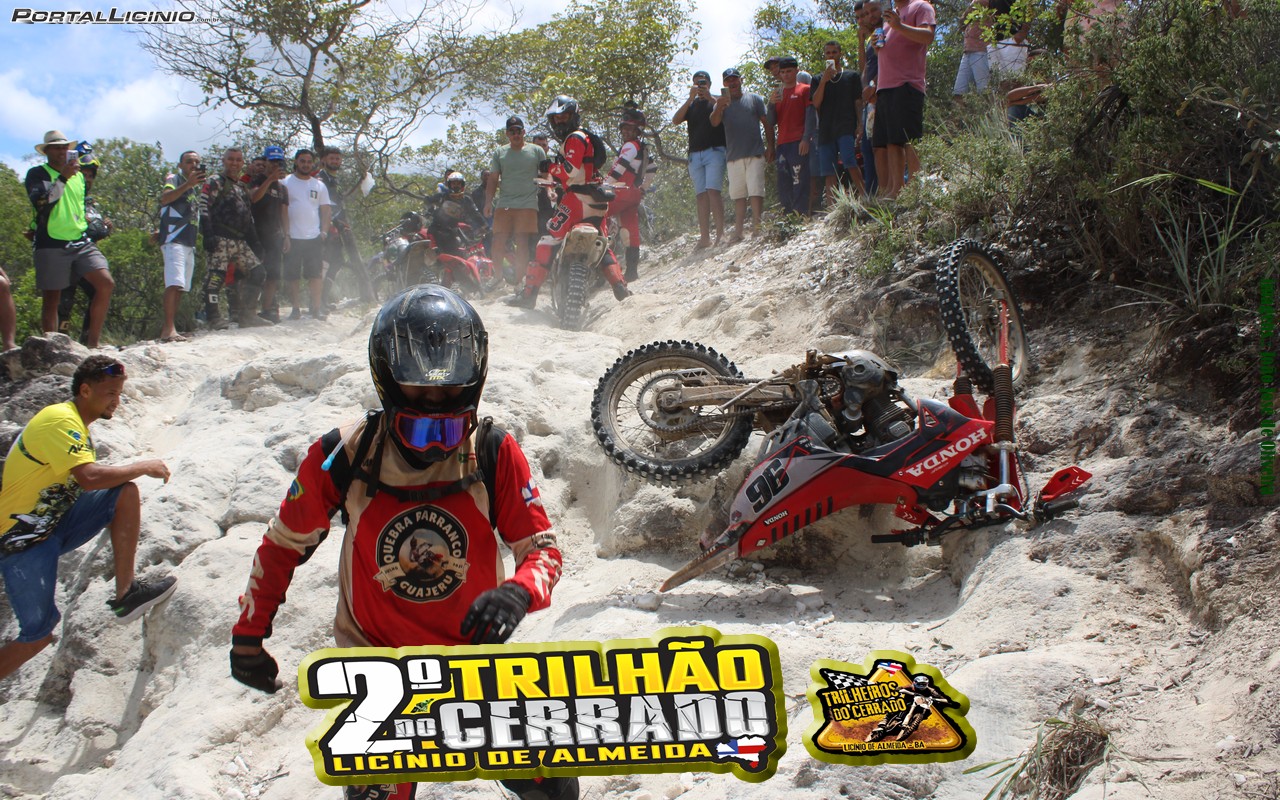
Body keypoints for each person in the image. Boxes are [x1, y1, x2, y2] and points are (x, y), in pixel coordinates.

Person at [229, 286, 576, 800]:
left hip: (473, 663)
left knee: (553, 786)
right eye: (419, 394)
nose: (435, 407)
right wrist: (249, 634)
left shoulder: (492, 450)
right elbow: (283, 546)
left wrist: (519, 591)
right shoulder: (343, 454)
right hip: (375, 671)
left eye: (449, 393)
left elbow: (542, 549)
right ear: (386, 379)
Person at [0, 355, 177, 680]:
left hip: (50, 525)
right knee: (37, 635)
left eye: (119, 393)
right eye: (110, 392)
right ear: (85, 390)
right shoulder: (60, 420)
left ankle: (127, 594)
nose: (116, 400)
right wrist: (143, 466)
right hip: (21, 540)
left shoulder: (76, 424)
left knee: (123, 494)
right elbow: (89, 478)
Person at [507, 96, 630, 309]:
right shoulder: (585, 136)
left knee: (547, 241)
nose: (560, 122)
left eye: (564, 117)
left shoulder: (574, 138)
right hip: (597, 201)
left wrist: (549, 167)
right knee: (601, 244)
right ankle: (620, 287)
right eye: (556, 118)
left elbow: (569, 171)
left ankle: (529, 295)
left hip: (576, 200)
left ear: (574, 116)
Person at [25, 130, 115, 349]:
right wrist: (63, 177)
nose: (62, 151)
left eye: (65, 147)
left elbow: (77, 207)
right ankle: (52, 348)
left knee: (105, 283)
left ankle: (93, 344)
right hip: (51, 241)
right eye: (56, 147)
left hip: (80, 240)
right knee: (52, 299)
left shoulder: (79, 177)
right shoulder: (37, 174)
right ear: (47, 151)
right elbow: (42, 203)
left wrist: (94, 225)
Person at [201, 148, 272, 330]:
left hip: (240, 240)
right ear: (224, 160)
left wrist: (255, 242)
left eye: (238, 160)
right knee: (216, 277)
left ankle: (247, 315)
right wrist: (208, 234)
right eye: (231, 159)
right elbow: (204, 207)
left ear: (242, 163)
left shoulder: (241, 187)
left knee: (258, 272)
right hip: (220, 237)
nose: (234, 163)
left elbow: (247, 216)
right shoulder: (215, 181)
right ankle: (213, 318)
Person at [874, 0, 936, 198]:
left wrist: (899, 26)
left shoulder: (921, 7)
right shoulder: (890, 16)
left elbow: (928, 36)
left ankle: (916, 189)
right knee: (892, 141)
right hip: (885, 86)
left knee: (910, 139)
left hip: (907, 84)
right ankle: (897, 189)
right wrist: (877, 46)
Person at [57, 143, 111, 344]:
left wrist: (103, 227)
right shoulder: (64, 191)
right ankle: (59, 341)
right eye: (84, 174)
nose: (88, 179)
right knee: (63, 300)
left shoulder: (90, 202)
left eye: (91, 176)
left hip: (84, 254)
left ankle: (89, 342)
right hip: (62, 251)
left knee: (99, 289)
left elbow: (93, 231)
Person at [485, 116, 547, 290]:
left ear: (524, 132)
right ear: (507, 134)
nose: (515, 134)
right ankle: (497, 277)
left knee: (522, 242)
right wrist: (488, 202)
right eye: (512, 131)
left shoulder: (537, 151)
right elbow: (493, 178)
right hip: (505, 202)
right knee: (498, 239)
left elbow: (545, 174)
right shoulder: (499, 152)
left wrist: (550, 191)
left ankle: (520, 282)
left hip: (527, 203)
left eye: (518, 130)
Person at [710, 70, 772, 242]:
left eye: (735, 79)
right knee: (738, 195)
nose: (732, 83)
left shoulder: (754, 99)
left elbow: (766, 123)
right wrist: (719, 106)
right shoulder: (721, 103)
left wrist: (771, 146)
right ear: (724, 84)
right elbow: (714, 122)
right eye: (728, 80)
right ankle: (738, 231)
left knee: (756, 191)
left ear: (741, 80)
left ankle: (757, 228)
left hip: (754, 152)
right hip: (733, 156)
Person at [672, 70, 726, 249]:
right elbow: (675, 120)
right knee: (701, 195)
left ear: (709, 83)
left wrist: (709, 97)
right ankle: (705, 237)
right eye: (697, 83)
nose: (700, 86)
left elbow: (726, 111)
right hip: (695, 154)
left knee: (713, 191)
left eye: (703, 82)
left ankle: (721, 234)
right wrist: (690, 98)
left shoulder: (716, 99)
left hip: (715, 150)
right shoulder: (692, 105)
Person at [158, 150, 207, 342]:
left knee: (180, 286)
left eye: (197, 162)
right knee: (173, 283)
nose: (193, 165)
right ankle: (167, 329)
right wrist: (188, 184)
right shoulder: (174, 179)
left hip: (188, 241)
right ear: (180, 165)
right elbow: (165, 198)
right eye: (189, 161)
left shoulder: (193, 188)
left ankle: (172, 328)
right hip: (174, 239)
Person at [605, 106, 658, 280]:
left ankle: (601, 268)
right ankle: (632, 272)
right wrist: (643, 188)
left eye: (630, 128)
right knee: (630, 233)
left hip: (620, 192)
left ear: (637, 131)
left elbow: (619, 167)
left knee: (596, 216)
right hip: (633, 195)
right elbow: (652, 168)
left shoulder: (630, 146)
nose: (625, 131)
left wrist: (604, 186)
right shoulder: (642, 148)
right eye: (624, 128)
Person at [812, 41, 866, 206]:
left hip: (846, 126)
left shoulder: (851, 76)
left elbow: (858, 102)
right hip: (826, 129)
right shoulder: (817, 79)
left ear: (840, 54)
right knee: (829, 170)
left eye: (834, 52)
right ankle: (832, 207)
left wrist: (860, 124)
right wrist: (824, 81)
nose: (831, 56)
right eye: (828, 53)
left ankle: (865, 198)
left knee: (850, 161)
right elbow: (816, 103)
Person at [281, 149, 332, 321]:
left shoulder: (319, 185)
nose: (306, 164)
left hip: (314, 237)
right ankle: (295, 308)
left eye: (309, 162)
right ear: (296, 162)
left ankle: (316, 309)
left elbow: (326, 210)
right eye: (302, 161)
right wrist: (285, 234)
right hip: (292, 237)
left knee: (315, 274)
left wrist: (324, 232)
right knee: (292, 275)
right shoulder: (285, 182)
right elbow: (282, 209)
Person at [316, 146, 370, 307]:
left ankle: (323, 299)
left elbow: (341, 199)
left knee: (337, 261)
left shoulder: (335, 179)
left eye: (337, 158)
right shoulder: (320, 179)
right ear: (324, 160)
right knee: (324, 263)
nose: (335, 161)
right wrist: (331, 223)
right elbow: (323, 205)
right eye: (331, 158)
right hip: (325, 227)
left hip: (337, 226)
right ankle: (317, 301)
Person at [249, 146, 290, 323]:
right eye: (272, 161)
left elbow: (284, 213)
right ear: (265, 161)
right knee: (255, 273)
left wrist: (287, 235)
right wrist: (269, 180)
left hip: (275, 236)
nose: (275, 165)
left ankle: (267, 310)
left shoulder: (282, 188)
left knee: (273, 274)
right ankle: (248, 311)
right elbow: (253, 198)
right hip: (255, 235)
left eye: (278, 162)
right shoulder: (256, 180)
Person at [771, 57, 812, 216]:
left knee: (799, 178)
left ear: (796, 71)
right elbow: (770, 121)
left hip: (798, 141)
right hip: (782, 143)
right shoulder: (778, 93)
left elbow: (810, 116)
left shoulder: (805, 89)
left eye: (789, 71)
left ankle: (801, 214)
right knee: (783, 181)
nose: (786, 75)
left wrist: (805, 138)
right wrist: (771, 104)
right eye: (783, 72)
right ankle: (788, 216)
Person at [427, 172, 488, 260]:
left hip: (452, 231)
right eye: (453, 183)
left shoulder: (466, 200)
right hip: (436, 229)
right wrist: (428, 201)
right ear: (449, 185)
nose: (456, 186)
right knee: (432, 252)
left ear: (462, 185)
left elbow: (475, 213)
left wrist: (485, 225)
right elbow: (429, 200)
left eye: (458, 183)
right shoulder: (442, 196)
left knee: (458, 256)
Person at [856, 1, 883, 196]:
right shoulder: (870, 39)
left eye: (864, 15)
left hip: (880, 94)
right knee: (867, 147)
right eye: (858, 17)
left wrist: (873, 85)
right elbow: (864, 67)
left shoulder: (883, 32)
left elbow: (886, 61)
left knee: (880, 145)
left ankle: (885, 189)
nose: (861, 20)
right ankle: (871, 194)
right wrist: (860, 41)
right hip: (869, 99)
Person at [953, 0, 993, 96]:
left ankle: (991, 106)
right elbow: (962, 24)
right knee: (958, 93)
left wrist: (967, 14)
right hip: (968, 50)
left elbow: (964, 20)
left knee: (985, 91)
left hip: (981, 50)